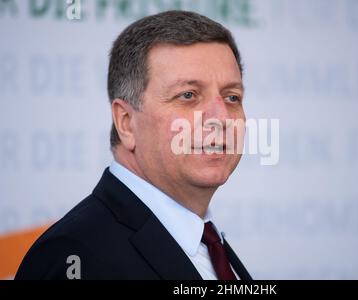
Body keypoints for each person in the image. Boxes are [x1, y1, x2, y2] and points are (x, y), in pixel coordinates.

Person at [15, 10, 252, 280]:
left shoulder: (208, 243)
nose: (221, 118)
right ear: (126, 122)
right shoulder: (74, 256)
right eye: (188, 95)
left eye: (232, 97)